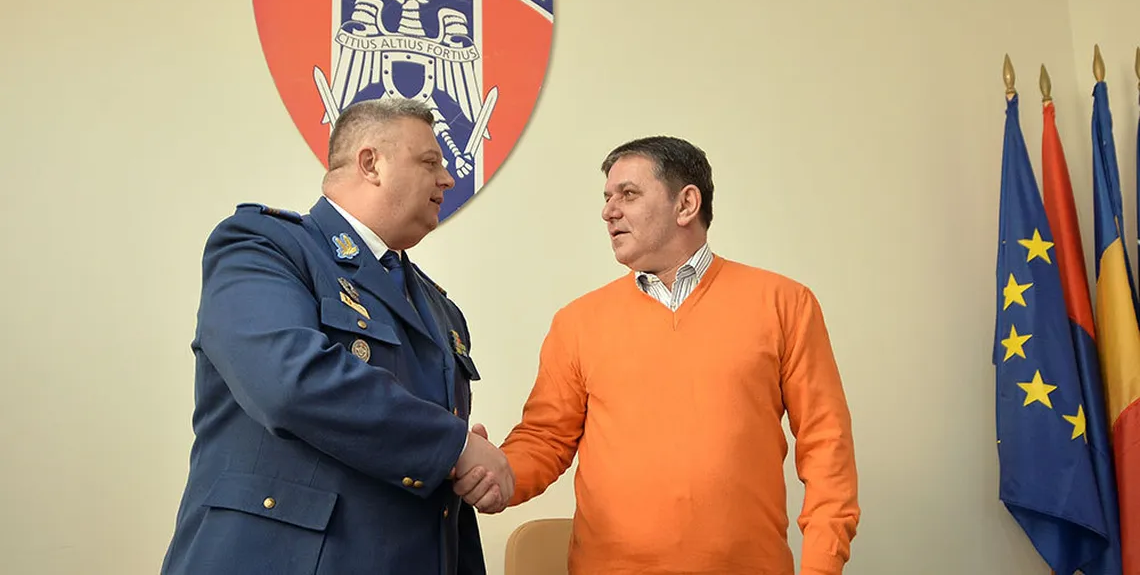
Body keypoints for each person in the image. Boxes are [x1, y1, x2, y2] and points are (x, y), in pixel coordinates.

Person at [475, 136, 859, 574]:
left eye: (628, 194)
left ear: (686, 204)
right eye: (607, 197)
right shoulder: (577, 322)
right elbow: (546, 439)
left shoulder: (785, 303)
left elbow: (828, 448)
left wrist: (821, 567)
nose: (608, 211)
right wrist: (496, 474)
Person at [160, 97, 512, 575]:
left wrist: (467, 469)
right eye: (430, 162)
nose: (448, 179)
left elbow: (436, 490)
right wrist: (455, 447)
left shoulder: (440, 308)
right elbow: (289, 381)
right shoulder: (264, 246)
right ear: (371, 163)